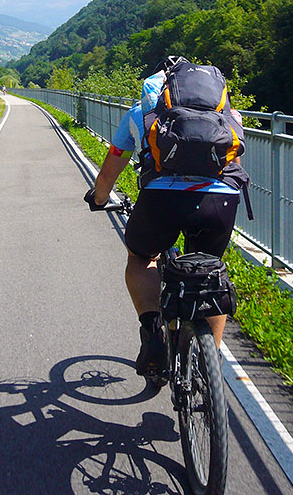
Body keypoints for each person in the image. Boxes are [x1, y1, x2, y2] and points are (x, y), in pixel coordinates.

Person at [84, 55, 248, 381]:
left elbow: (110, 172)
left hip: (162, 197)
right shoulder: (229, 115)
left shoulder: (139, 113)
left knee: (141, 256)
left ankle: (152, 332)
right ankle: (208, 367)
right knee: (208, 274)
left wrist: (99, 198)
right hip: (220, 199)